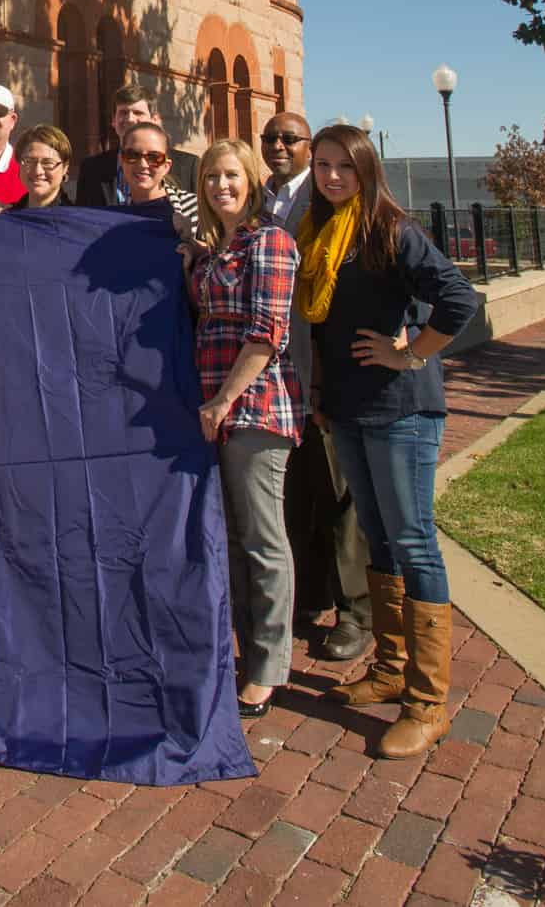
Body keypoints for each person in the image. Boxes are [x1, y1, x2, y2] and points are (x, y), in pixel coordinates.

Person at [303, 125, 478, 758]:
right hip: (349, 410)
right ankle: (390, 668)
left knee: (413, 542)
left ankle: (428, 702)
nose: (330, 177)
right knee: (377, 538)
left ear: (366, 169)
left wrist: (411, 353)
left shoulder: (391, 230)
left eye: (343, 167)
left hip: (401, 411)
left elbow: (460, 300)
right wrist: (322, 395)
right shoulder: (323, 234)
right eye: (322, 165)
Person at [189, 140, 304, 719]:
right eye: (211, 177)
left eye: (230, 175)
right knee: (231, 539)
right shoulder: (216, 248)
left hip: (254, 411)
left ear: (251, 180)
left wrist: (223, 401)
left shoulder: (271, 241)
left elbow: (267, 333)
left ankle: (268, 666)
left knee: (263, 540)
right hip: (217, 412)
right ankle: (242, 649)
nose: (220, 186)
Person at [267, 112, 372, 664]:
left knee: (341, 497)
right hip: (284, 372)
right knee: (301, 492)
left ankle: (357, 612)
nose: (279, 146)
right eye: (271, 139)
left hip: (327, 373)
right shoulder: (267, 198)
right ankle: (310, 596)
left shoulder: (333, 199)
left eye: (290, 138)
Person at [75, 83, 199, 211]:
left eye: (138, 113)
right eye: (123, 113)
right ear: (113, 121)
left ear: (154, 119)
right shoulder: (91, 169)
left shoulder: (188, 167)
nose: (130, 119)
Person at [114, 120, 199, 232]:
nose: (143, 165)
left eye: (154, 157)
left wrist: (191, 243)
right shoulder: (111, 216)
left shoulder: (196, 210)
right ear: (122, 161)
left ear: (166, 166)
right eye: (133, 155)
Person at [10, 125, 76, 209]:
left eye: (48, 163)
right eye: (29, 161)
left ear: (65, 168)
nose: (38, 171)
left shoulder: (75, 219)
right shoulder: (7, 216)